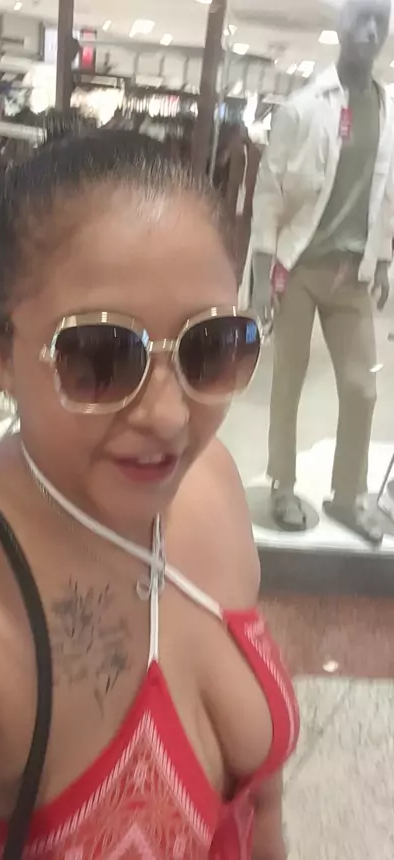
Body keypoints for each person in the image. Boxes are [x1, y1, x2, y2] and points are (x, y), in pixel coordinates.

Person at [0, 131, 299, 860]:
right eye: (98, 356)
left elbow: (263, 804)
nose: (171, 417)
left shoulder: (209, 484)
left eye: (211, 346)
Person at [250, 0, 394, 544]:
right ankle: (283, 484)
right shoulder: (303, 108)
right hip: (299, 268)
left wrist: (383, 260)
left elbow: (386, 196)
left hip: (353, 273)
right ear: (341, 25)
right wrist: (261, 275)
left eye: (382, 21)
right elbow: (269, 195)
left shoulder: (389, 109)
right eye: (362, 18)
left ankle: (347, 494)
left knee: (362, 389)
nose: (372, 31)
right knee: (288, 379)